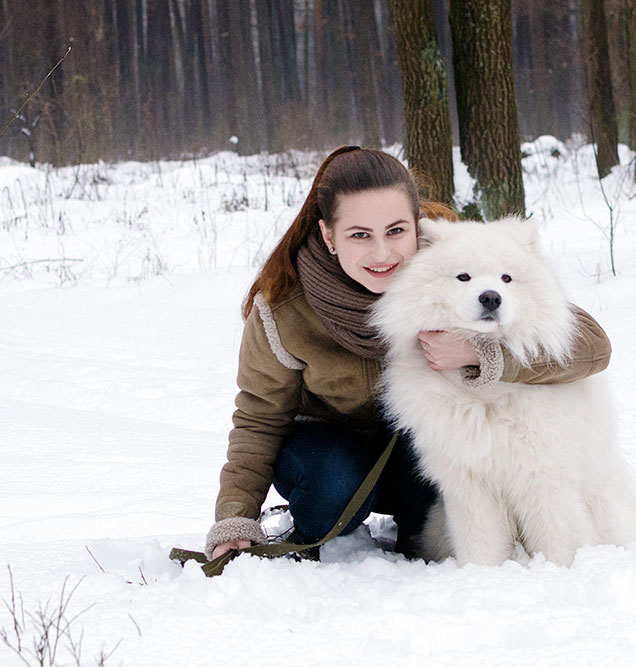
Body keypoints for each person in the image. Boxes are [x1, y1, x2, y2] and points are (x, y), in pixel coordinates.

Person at [205, 146, 613, 561]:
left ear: (417, 226)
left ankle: (429, 529)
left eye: (396, 231)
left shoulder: (449, 250)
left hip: (409, 448)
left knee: (449, 481)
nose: (382, 254)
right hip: (328, 450)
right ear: (329, 235)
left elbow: (587, 344)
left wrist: (479, 352)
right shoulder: (286, 309)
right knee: (334, 485)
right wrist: (235, 519)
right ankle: (326, 525)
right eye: (360, 235)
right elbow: (258, 419)